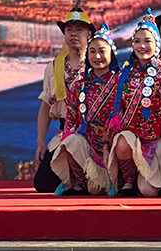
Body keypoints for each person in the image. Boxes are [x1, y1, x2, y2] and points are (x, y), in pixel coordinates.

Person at [35, 0, 97, 193]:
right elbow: (45, 106)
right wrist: (41, 142)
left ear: (89, 34)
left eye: (79, 29)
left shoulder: (98, 65)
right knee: (42, 184)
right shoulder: (54, 67)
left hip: (94, 132)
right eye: (69, 29)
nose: (74, 34)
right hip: (65, 131)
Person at [107, 11, 161, 197]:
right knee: (122, 140)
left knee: (148, 191)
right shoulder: (124, 75)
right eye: (137, 41)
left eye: (147, 41)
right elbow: (117, 110)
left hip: (156, 137)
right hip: (131, 136)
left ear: (156, 44)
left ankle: (148, 178)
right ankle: (129, 181)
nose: (142, 46)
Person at [51, 22, 119, 195]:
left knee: (96, 189)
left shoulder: (121, 84)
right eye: (92, 52)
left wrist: (107, 145)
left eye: (102, 51)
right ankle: (80, 183)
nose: (97, 56)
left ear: (112, 54)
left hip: (112, 148)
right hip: (87, 148)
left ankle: (113, 179)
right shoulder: (79, 85)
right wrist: (67, 139)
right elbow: (70, 120)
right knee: (69, 140)